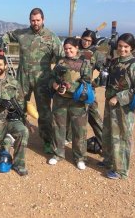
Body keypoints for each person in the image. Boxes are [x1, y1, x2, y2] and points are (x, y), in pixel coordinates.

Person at [2, 8, 64, 153]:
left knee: (44, 112)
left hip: (43, 80)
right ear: (29, 20)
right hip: (22, 78)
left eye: (38, 20)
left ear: (43, 19)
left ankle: (47, 141)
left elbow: (61, 57)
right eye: (33, 20)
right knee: (17, 107)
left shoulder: (51, 37)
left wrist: (58, 76)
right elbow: (6, 36)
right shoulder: (22, 34)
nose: (35, 23)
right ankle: (17, 136)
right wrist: (2, 45)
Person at [98, 33, 135, 179]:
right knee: (109, 133)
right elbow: (105, 79)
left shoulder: (134, 64)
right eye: (120, 46)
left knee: (122, 137)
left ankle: (121, 170)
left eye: (126, 47)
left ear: (132, 48)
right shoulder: (115, 62)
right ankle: (110, 161)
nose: (122, 49)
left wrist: (118, 97)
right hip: (109, 105)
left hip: (124, 107)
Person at [47, 37, 93, 170]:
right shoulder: (60, 61)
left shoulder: (84, 62)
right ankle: (57, 154)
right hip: (60, 100)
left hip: (77, 101)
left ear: (76, 48)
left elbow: (87, 81)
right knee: (58, 127)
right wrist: (55, 85)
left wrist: (69, 87)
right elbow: (51, 77)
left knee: (79, 130)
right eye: (65, 48)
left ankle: (79, 157)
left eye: (70, 48)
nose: (68, 51)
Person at [65, 29, 105, 147]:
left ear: (93, 41)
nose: (86, 42)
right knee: (72, 115)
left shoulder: (96, 54)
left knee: (94, 118)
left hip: (88, 91)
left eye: (89, 40)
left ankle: (104, 143)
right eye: (84, 39)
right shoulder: (75, 50)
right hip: (73, 89)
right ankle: (69, 137)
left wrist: (93, 84)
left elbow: (104, 72)